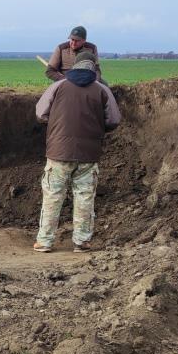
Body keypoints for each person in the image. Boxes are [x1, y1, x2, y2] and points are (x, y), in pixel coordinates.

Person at [33, 52, 121, 252]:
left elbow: (40, 113)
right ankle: (82, 242)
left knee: (53, 196)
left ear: (75, 65)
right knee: (84, 197)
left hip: (58, 153)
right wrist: (96, 128)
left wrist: (56, 123)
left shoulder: (58, 86)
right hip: (88, 154)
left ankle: (45, 241)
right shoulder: (102, 90)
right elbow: (114, 120)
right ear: (93, 68)